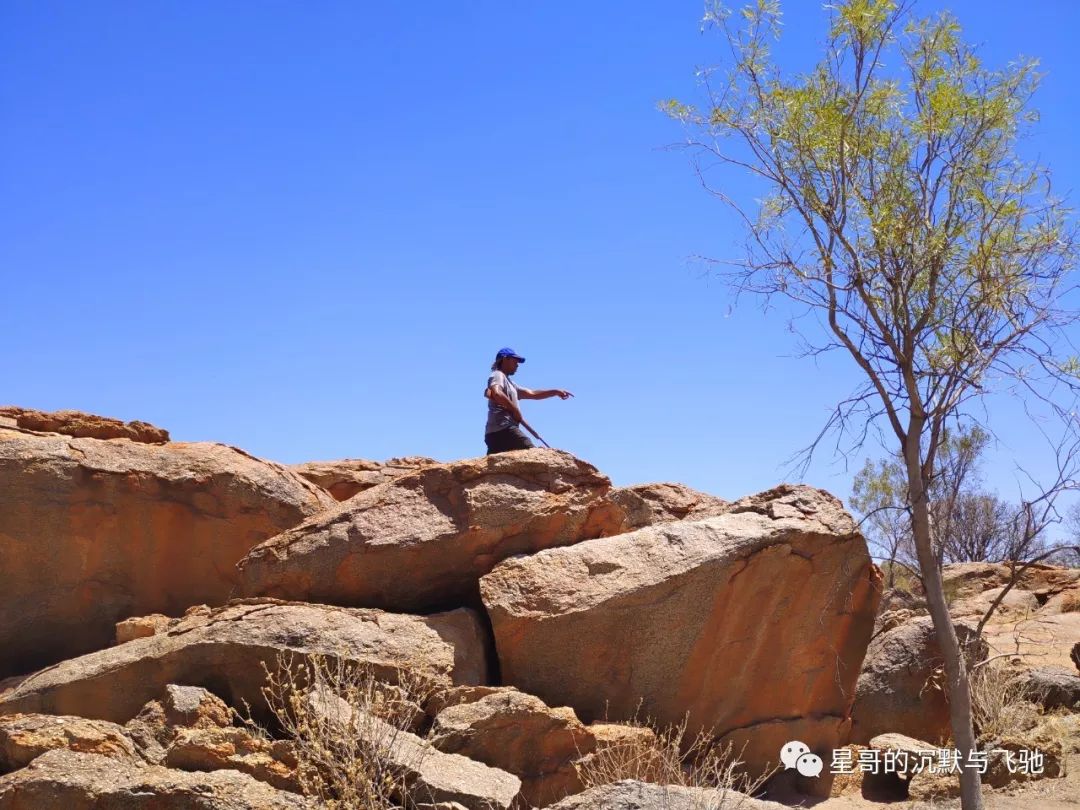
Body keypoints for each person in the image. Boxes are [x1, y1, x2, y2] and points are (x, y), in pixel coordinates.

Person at [484, 347, 573, 454]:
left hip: (493, 433)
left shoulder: (511, 384)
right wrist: (515, 410)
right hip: (505, 429)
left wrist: (555, 392)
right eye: (515, 360)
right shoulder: (498, 375)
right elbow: (497, 393)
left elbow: (532, 394)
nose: (517, 365)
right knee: (535, 454)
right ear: (505, 359)